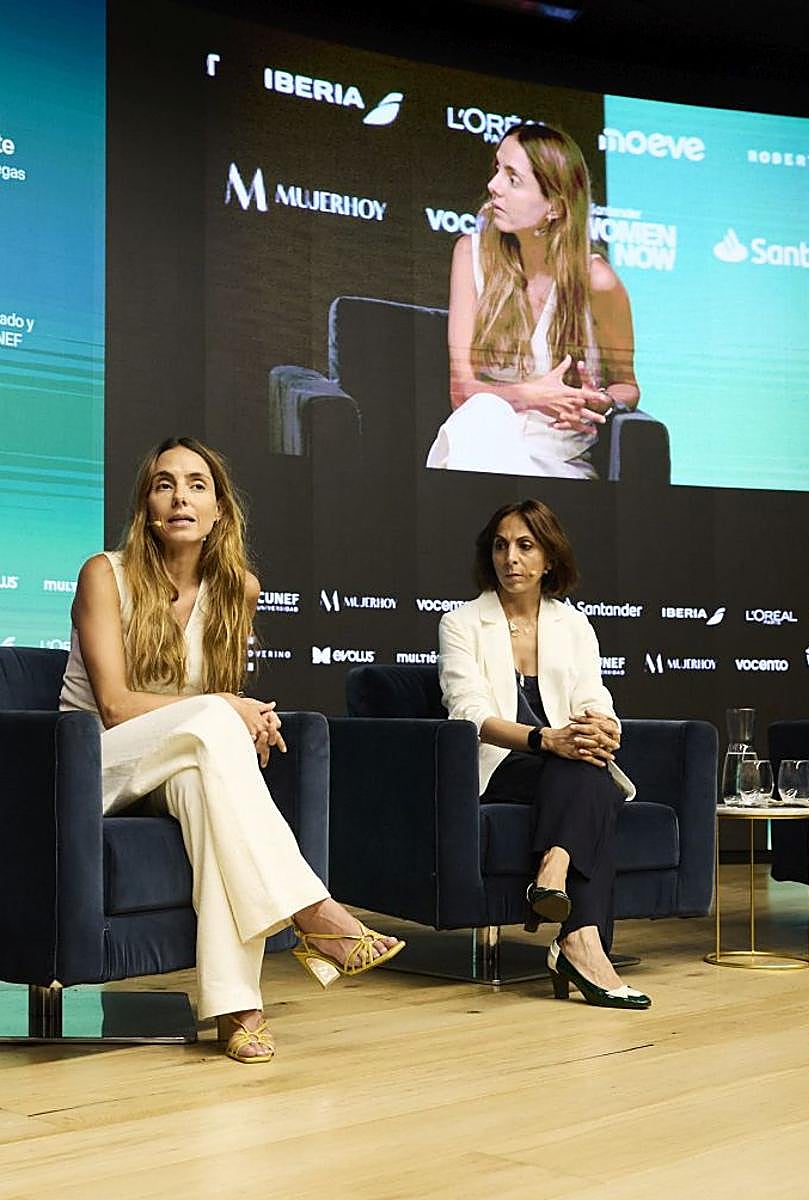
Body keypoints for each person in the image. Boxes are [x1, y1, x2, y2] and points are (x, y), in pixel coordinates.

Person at [60, 437, 403, 1062]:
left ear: (219, 509)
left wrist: (244, 717)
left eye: (196, 484)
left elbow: (213, 699)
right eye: (164, 484)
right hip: (91, 764)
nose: (179, 496)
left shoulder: (237, 590)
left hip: (178, 760)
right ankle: (313, 910)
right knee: (217, 723)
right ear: (147, 506)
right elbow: (112, 704)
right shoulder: (103, 573)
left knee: (206, 789)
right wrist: (229, 711)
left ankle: (236, 1009)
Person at [437, 499, 649, 1008]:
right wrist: (545, 740)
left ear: (549, 558)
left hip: (564, 764)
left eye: (525, 546)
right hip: (499, 764)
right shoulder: (461, 623)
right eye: (500, 545)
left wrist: (605, 729)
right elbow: (467, 715)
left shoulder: (573, 626)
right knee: (584, 771)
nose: (511, 558)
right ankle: (576, 931)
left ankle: (559, 887)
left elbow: (594, 699)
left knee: (585, 765)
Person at [426, 123, 639, 478]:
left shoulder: (597, 282)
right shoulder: (471, 255)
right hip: (478, 441)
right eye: (497, 169)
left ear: (554, 207)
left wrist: (601, 402)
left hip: (559, 461)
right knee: (481, 416)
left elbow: (628, 386)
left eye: (513, 179)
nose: (493, 186)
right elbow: (461, 392)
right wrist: (532, 395)